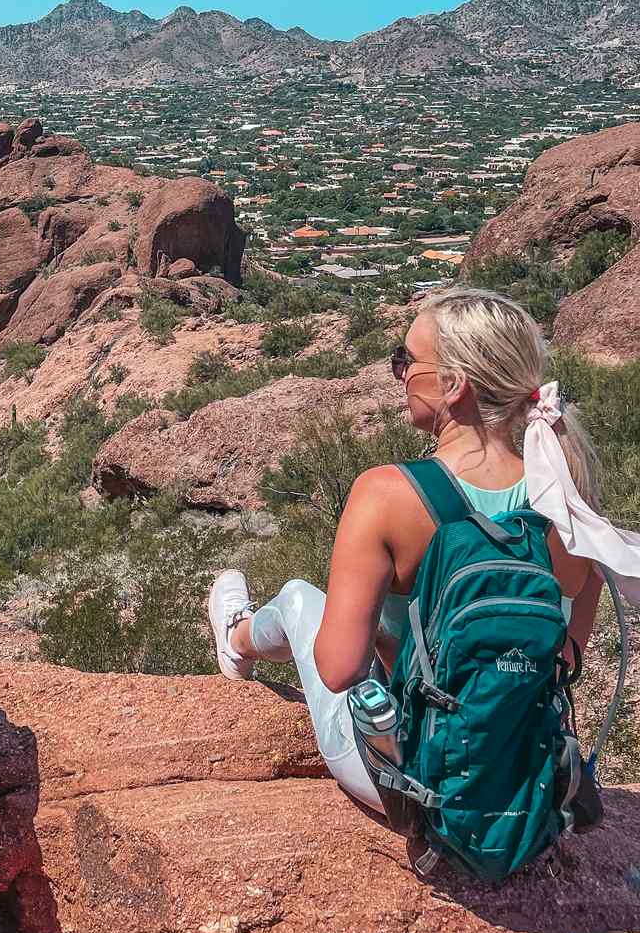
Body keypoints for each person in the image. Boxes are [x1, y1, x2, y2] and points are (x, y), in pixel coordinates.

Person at [206, 286, 607, 813]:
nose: (400, 374)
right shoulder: (572, 499)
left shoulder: (387, 493)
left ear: (453, 384)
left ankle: (237, 636)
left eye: (405, 360)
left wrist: (385, 630)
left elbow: (340, 670)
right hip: (525, 774)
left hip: (414, 777)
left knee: (302, 598)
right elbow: (563, 657)